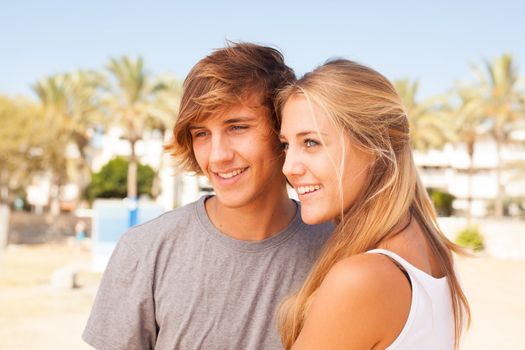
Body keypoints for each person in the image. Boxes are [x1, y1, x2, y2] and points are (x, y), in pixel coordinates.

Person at [82, 42, 332, 350]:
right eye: (201, 133)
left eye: (237, 127)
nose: (217, 156)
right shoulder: (144, 251)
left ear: (283, 132)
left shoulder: (341, 246)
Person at [277, 59, 470, 350]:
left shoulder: (361, 278)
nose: (289, 167)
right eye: (285, 145)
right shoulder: (437, 254)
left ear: (374, 146)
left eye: (311, 143)